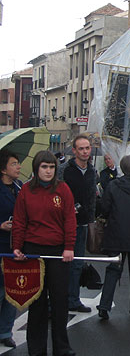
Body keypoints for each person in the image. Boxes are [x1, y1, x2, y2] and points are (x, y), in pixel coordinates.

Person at [13, 150, 76, 356]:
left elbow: (69, 220)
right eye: (44, 167)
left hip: (58, 252)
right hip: (33, 252)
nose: (48, 171)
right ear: (36, 168)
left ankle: (62, 348)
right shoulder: (25, 191)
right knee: (37, 304)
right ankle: (36, 349)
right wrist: (17, 247)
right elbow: (20, 221)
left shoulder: (63, 189)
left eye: (51, 167)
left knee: (60, 301)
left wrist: (69, 247)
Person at [97, 155, 130, 319]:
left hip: (116, 232)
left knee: (113, 270)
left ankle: (104, 306)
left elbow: (105, 207)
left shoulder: (114, 185)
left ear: (123, 168)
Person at [58, 134, 97, 313]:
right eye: (81, 148)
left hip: (82, 224)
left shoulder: (92, 170)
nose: (84, 152)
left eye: (87, 148)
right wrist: (67, 208)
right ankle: (57, 301)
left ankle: (73, 299)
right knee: (62, 264)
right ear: (74, 151)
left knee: (77, 264)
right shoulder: (64, 169)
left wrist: (92, 217)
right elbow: (56, 194)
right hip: (64, 224)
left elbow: (92, 196)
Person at [0, 150, 20, 348]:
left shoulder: (20, 187)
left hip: (16, 246)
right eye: (14, 164)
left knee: (12, 291)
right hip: (1, 244)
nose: (18, 167)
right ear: (3, 169)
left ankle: (5, 331)